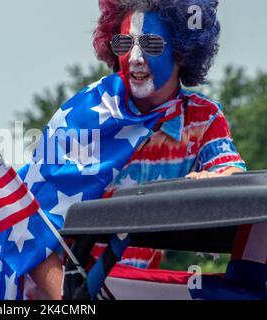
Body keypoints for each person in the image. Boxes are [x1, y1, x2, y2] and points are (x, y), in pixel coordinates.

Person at [28, 0, 246, 299]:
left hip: (138, 288)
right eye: (124, 43)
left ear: (183, 51)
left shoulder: (202, 118)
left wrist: (217, 180)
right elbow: (30, 227)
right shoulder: (86, 114)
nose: (136, 57)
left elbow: (232, 171)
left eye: (152, 44)